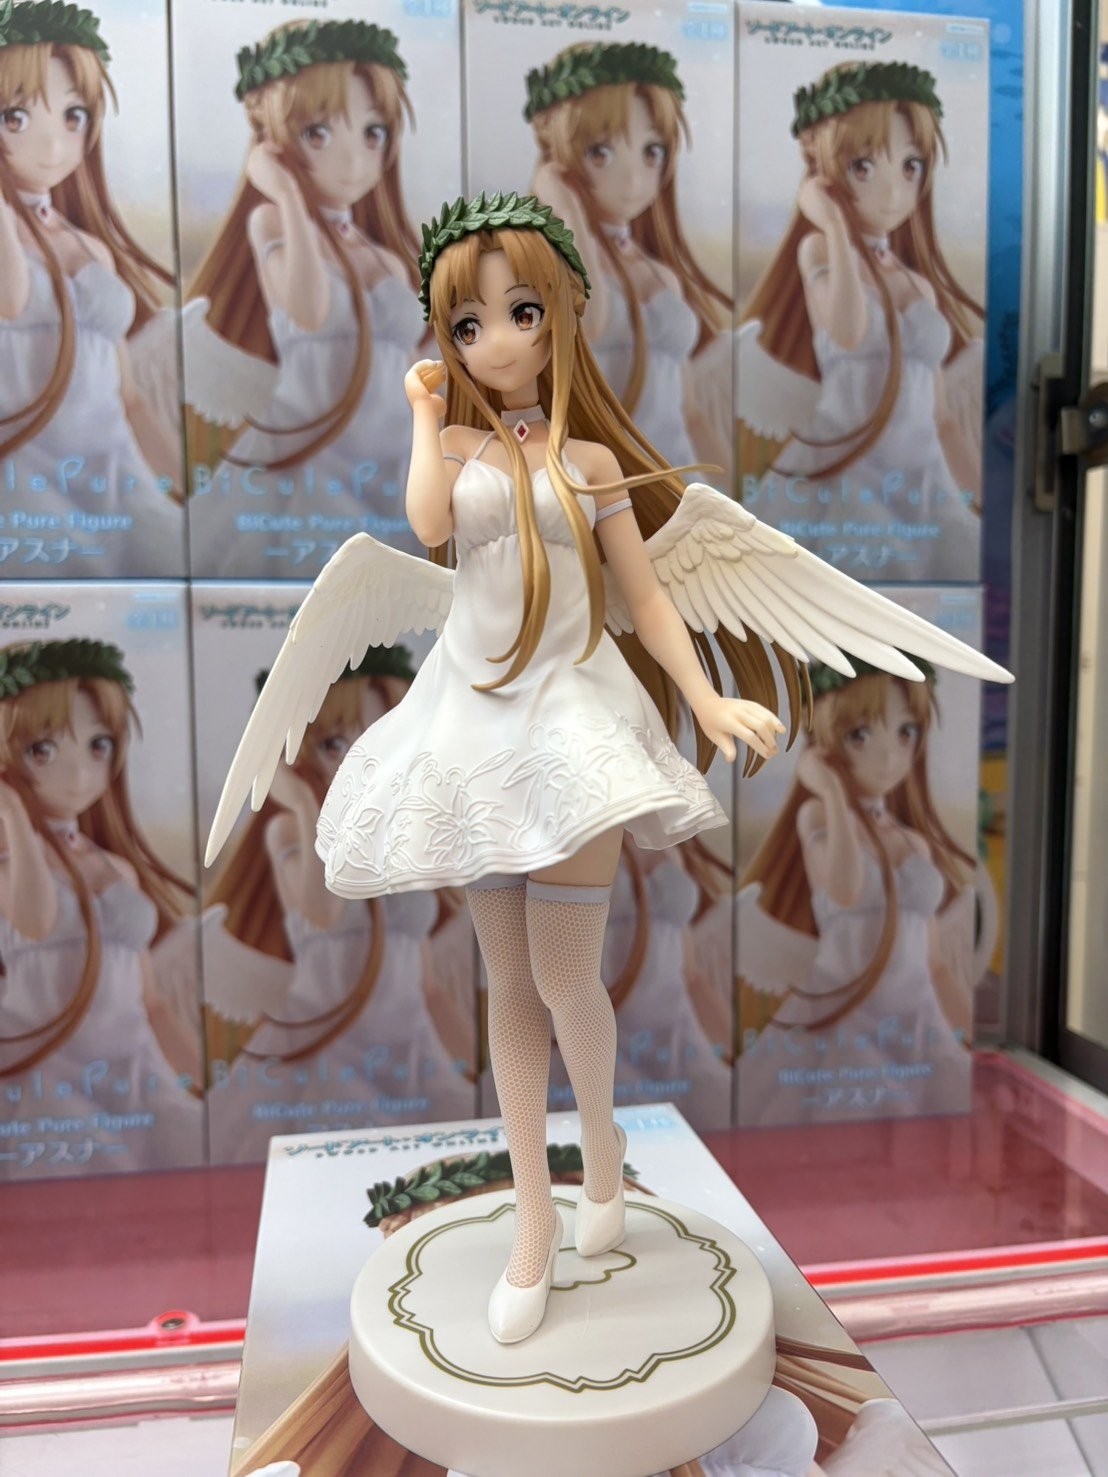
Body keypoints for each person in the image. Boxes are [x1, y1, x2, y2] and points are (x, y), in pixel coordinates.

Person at [206, 191, 1009, 1344]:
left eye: (519, 313)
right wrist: (423, 412)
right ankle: (535, 1211)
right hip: (470, 728)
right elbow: (427, 523)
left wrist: (705, 697)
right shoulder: (459, 448)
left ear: (560, 317)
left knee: (565, 975)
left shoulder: (588, 466)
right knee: (508, 981)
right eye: (467, 324)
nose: (496, 341)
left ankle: (598, 1147)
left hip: (575, 723)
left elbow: (647, 599)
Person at [204, 647, 475, 1160]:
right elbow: (321, 913)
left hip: (411, 1044)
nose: (362, 761)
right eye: (336, 743)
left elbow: (428, 984)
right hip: (327, 1045)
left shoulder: (408, 832)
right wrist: (306, 806)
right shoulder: (290, 832)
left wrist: (485, 1068)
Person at [185, 17, 424, 577]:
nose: (353, 160)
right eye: (319, 133)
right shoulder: (273, 222)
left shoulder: (387, 258)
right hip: (312, 456)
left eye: (373, 133)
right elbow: (309, 312)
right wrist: (288, 195)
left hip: (394, 460)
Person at [737, 61, 984, 581]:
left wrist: (988, 499)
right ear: (826, 169)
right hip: (848, 476)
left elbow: (940, 416)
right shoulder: (819, 252)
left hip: (923, 479)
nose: (893, 192)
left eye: (910, 166)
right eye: (864, 166)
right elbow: (847, 332)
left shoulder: (919, 284)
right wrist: (833, 223)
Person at [738, 661, 976, 1125]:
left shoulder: (915, 844)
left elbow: (934, 964)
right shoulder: (818, 818)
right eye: (860, 735)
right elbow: (845, 890)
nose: (889, 757)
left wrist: (970, 1040)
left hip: (917, 1017)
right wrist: (831, 792)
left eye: (906, 733)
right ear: (828, 742)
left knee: (935, 1121)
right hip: (846, 1014)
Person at [0, 639, 202, 1175]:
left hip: (134, 1064)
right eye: (42, 749)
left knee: (192, 1146)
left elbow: (151, 1003)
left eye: (99, 745)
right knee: (103, 1169)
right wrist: (14, 817)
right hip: (47, 1069)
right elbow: (35, 922)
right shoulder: (11, 865)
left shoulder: (116, 868)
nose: (79, 774)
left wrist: (214, 1081)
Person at [0, 0, 183, 578]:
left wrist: (193, 488)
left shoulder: (90, 248)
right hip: (24, 477)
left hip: (114, 470)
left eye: (72, 115)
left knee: (169, 558)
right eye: (16, 116)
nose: (53, 144)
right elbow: (11, 299)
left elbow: (127, 397)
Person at [526, 41, 732, 474]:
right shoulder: (550, 261)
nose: (634, 178)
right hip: (603, 483)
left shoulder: (661, 275)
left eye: (652, 151)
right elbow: (592, 321)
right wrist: (567, 212)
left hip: (677, 477)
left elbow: (690, 412)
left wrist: (737, 495)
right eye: (601, 152)